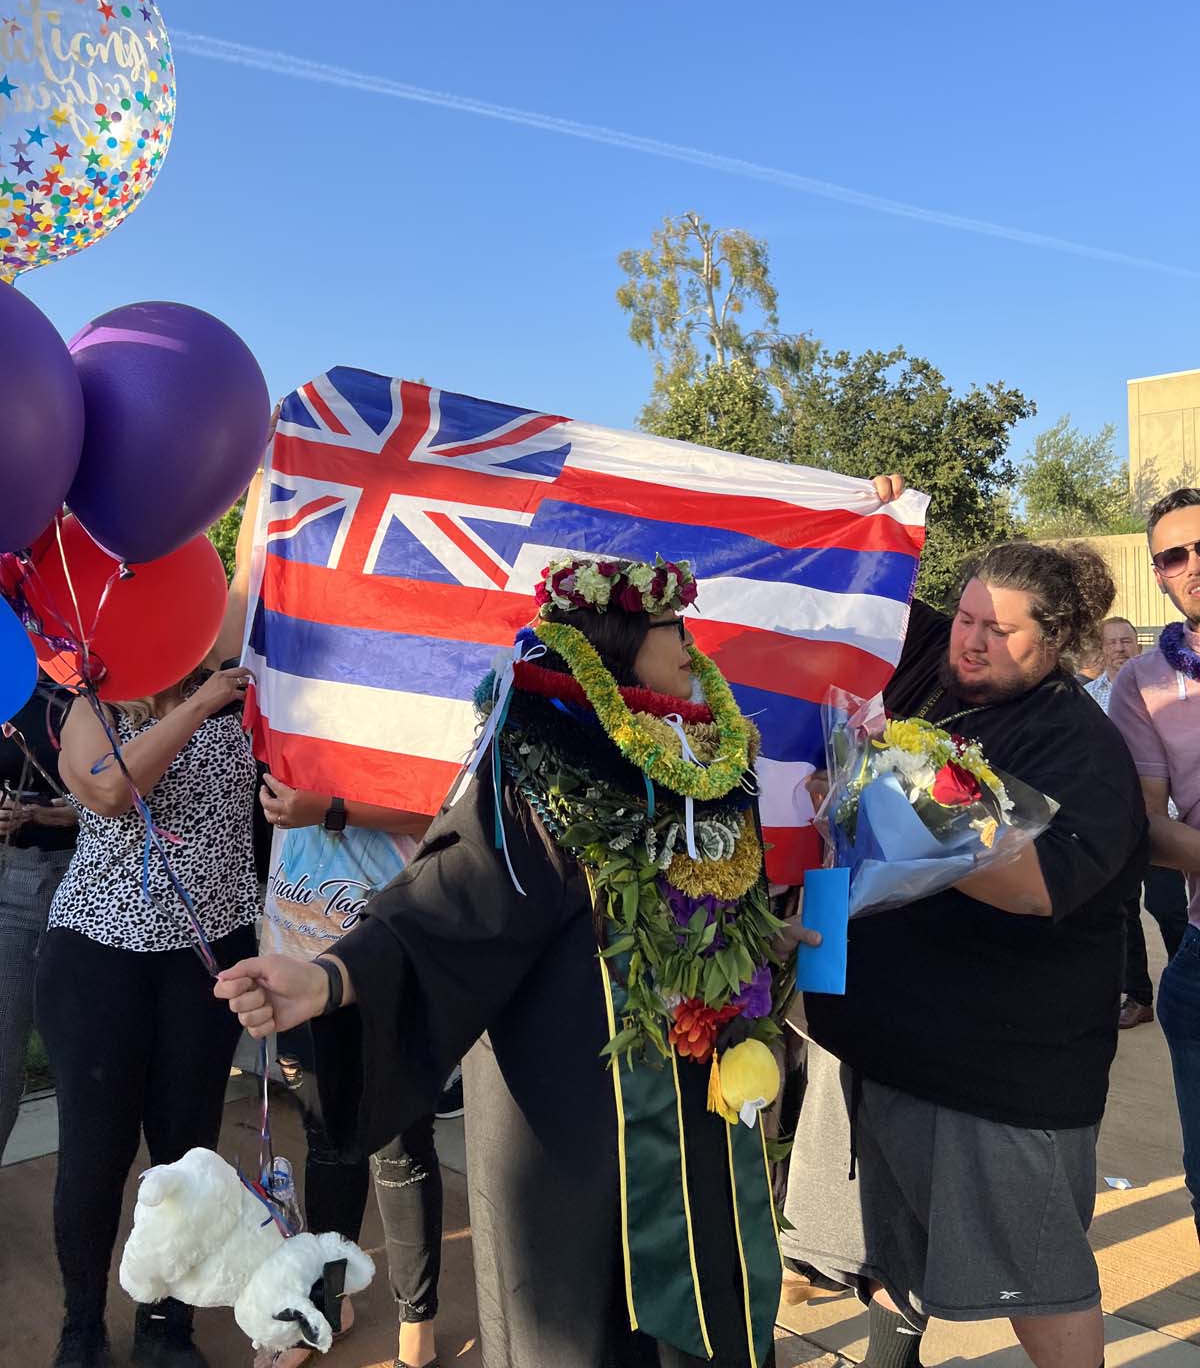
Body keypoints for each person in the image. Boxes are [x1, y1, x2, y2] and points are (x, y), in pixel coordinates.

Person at [217, 550, 823, 1368]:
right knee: (578, 1319)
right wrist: (331, 977)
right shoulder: (544, 760)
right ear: (617, 640)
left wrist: (758, 940)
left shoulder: (710, 755)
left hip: (693, 1087)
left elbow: (708, 896)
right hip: (571, 1108)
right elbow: (455, 894)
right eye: (672, 627)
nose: (690, 644)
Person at [782, 518, 1147, 1368]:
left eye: (1000, 629)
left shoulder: (1078, 744)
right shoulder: (936, 672)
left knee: (1039, 1279)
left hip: (1001, 1074)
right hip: (881, 1043)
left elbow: (1036, 885)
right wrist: (863, 511)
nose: (971, 642)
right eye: (968, 618)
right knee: (888, 1249)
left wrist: (881, 801)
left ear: (1054, 641)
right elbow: (857, 586)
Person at [38, 473, 264, 1368]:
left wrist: (264, 486)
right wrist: (198, 707)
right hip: (99, 956)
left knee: (186, 1152)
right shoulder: (103, 692)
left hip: (206, 958)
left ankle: (163, 1326)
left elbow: (246, 572)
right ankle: (81, 1325)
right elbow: (102, 791)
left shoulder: (238, 669)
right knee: (94, 1156)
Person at [256, 772, 441, 1368]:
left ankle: (418, 1324)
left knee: (400, 1147)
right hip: (296, 947)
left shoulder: (425, 682)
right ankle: (328, 1301)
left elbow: (441, 809)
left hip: (390, 954)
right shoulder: (281, 684)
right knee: (327, 1140)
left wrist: (332, 809)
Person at [1108, 487, 1200, 1241]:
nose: (1193, 564)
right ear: (1160, 575)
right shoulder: (1141, 683)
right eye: (1175, 555)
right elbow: (1144, 823)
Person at [1085, 616, 1188, 1029]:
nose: (1120, 648)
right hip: (1115, 824)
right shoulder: (1088, 698)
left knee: (1168, 907)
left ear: (1137, 646)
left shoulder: (1156, 693)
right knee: (1125, 912)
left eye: (1127, 640)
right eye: (1112, 642)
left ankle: (1190, 983)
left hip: (1158, 819)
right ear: (1102, 648)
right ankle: (1139, 997)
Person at [0, 679, 77, 1161]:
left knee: (89, 1061)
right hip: (14, 880)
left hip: (95, 881)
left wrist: (88, 808)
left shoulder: (103, 684)